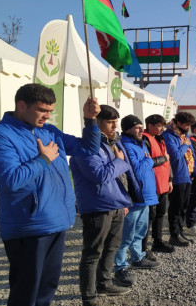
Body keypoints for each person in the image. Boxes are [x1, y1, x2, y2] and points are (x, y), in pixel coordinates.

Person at [0, 83, 101, 306]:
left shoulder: (49, 131)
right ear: (21, 105)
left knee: (47, 289)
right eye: (42, 110)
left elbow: (88, 149)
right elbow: (10, 180)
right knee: (26, 293)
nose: (47, 116)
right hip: (28, 227)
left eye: (50, 111)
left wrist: (91, 121)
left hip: (57, 221)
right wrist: (43, 159)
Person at [70, 105, 134, 305]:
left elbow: (115, 177)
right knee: (93, 252)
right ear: (95, 122)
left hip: (114, 205)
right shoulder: (84, 148)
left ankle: (104, 283)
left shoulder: (107, 145)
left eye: (116, 120)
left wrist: (122, 201)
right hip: (97, 207)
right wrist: (121, 161)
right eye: (109, 121)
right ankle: (89, 296)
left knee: (111, 247)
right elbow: (100, 175)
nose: (115, 125)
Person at [114, 115, 160, 286]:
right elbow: (138, 170)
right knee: (126, 235)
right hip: (135, 196)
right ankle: (120, 266)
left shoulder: (139, 144)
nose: (142, 130)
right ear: (127, 129)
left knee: (140, 231)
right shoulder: (127, 146)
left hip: (145, 196)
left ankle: (137, 257)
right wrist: (149, 160)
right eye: (137, 127)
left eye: (142, 126)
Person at [162, 112, 196, 247]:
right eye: (186, 124)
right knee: (176, 207)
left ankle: (180, 231)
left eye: (189, 125)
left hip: (187, 174)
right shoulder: (169, 135)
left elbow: (191, 155)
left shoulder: (183, 135)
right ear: (178, 122)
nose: (188, 127)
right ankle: (174, 235)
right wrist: (185, 145)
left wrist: (194, 171)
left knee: (184, 206)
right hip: (177, 176)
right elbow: (175, 155)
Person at [141, 114, 175, 255]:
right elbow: (148, 162)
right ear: (150, 126)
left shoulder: (159, 139)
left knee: (160, 213)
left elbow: (167, 161)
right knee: (148, 217)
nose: (162, 128)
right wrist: (164, 158)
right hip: (151, 184)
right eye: (159, 126)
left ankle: (158, 241)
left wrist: (170, 179)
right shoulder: (144, 139)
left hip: (163, 182)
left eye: (163, 125)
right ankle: (143, 248)